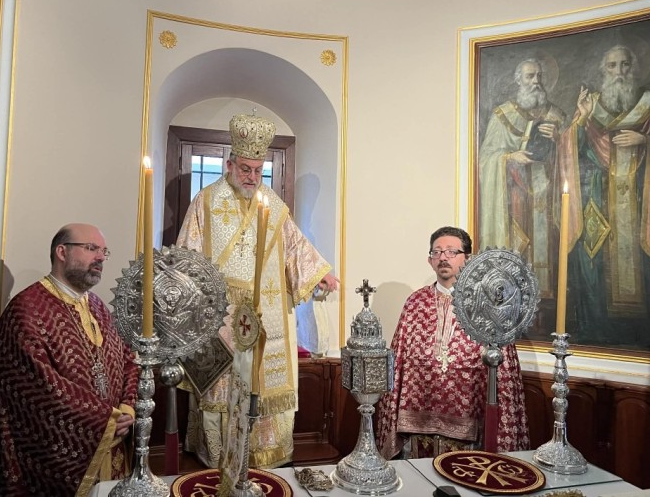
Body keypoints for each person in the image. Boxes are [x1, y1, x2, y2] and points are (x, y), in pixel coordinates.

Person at [176, 113, 339, 470]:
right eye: (246, 169)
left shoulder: (272, 204)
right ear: (230, 164)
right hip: (220, 314)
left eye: (258, 170)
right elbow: (187, 256)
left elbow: (295, 246)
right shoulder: (205, 202)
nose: (252, 177)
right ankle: (219, 457)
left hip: (266, 312)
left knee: (262, 384)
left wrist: (320, 273)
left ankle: (265, 456)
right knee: (220, 385)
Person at [0, 223, 139, 497]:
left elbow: (127, 361)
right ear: (62, 252)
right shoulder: (27, 309)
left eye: (104, 251)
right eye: (91, 248)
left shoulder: (97, 307)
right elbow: (41, 388)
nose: (100, 257)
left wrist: (128, 407)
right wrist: (106, 419)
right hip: (58, 455)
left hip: (112, 443)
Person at [376, 226, 529, 459]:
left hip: (469, 419)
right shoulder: (415, 302)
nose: (443, 258)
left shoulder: (486, 304)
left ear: (467, 258)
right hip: (418, 418)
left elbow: (503, 369)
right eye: (436, 252)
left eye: (451, 251)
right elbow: (397, 362)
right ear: (430, 260)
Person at [557, 45, 650, 345]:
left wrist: (644, 139)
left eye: (625, 64)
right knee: (594, 265)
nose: (619, 71)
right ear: (603, 71)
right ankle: (596, 332)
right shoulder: (591, 105)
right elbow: (568, 149)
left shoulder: (647, 103)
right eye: (612, 66)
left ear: (634, 68)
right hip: (595, 205)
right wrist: (580, 121)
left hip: (638, 205)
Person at [479, 58, 566, 297]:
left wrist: (559, 139)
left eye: (539, 76)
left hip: (545, 196)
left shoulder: (556, 116)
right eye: (530, 76)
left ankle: (546, 303)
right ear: (518, 81)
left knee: (545, 249)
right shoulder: (503, 115)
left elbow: (572, 162)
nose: (536, 81)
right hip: (514, 197)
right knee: (519, 244)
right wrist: (509, 157)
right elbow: (485, 159)